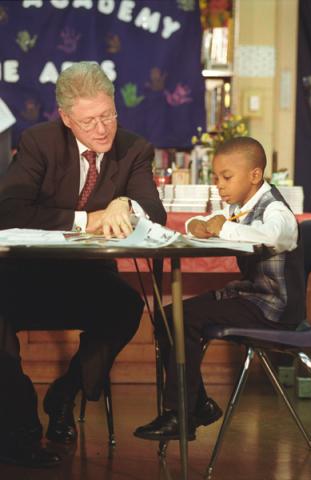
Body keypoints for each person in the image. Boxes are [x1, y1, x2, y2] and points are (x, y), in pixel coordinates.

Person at [0, 61, 166, 467]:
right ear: (67, 119)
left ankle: (66, 393)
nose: (102, 129)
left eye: (108, 115)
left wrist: (126, 203)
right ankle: (20, 429)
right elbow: (9, 210)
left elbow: (156, 216)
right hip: (27, 276)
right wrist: (84, 220)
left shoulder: (135, 149)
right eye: (89, 121)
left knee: (126, 307)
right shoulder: (39, 142)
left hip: (89, 276)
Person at [134, 136, 305, 441]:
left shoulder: (276, 211)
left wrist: (221, 227)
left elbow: (272, 236)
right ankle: (198, 406)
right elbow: (209, 221)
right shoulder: (240, 206)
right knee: (167, 315)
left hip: (274, 308)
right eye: (215, 178)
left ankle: (180, 414)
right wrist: (198, 225)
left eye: (227, 177)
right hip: (252, 296)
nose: (219, 186)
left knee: (182, 319)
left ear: (254, 175)